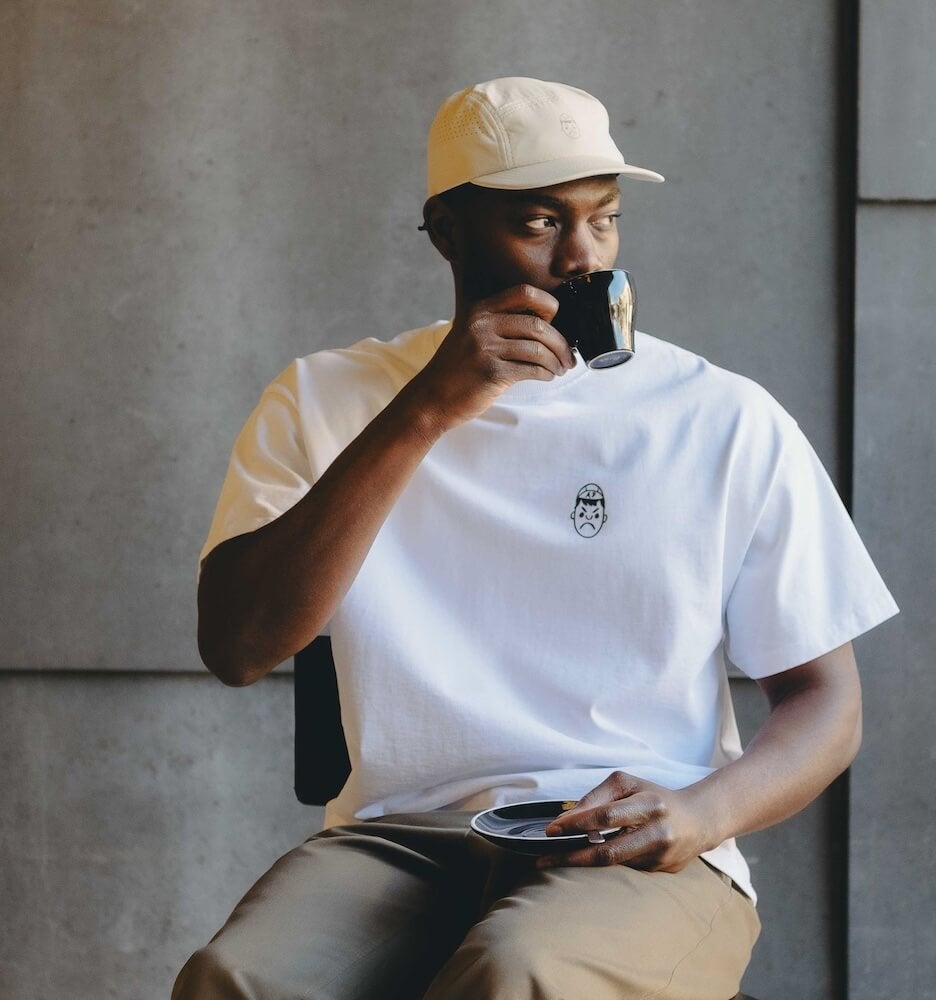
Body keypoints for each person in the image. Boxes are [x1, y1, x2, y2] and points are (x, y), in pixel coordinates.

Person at [175, 76, 898, 1000]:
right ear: (447, 231)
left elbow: (827, 702)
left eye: (605, 218)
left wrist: (702, 813)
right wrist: (427, 409)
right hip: (398, 838)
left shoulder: (719, 419)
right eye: (541, 223)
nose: (584, 255)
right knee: (234, 980)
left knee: (519, 973)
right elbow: (238, 646)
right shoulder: (325, 399)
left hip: (635, 842)